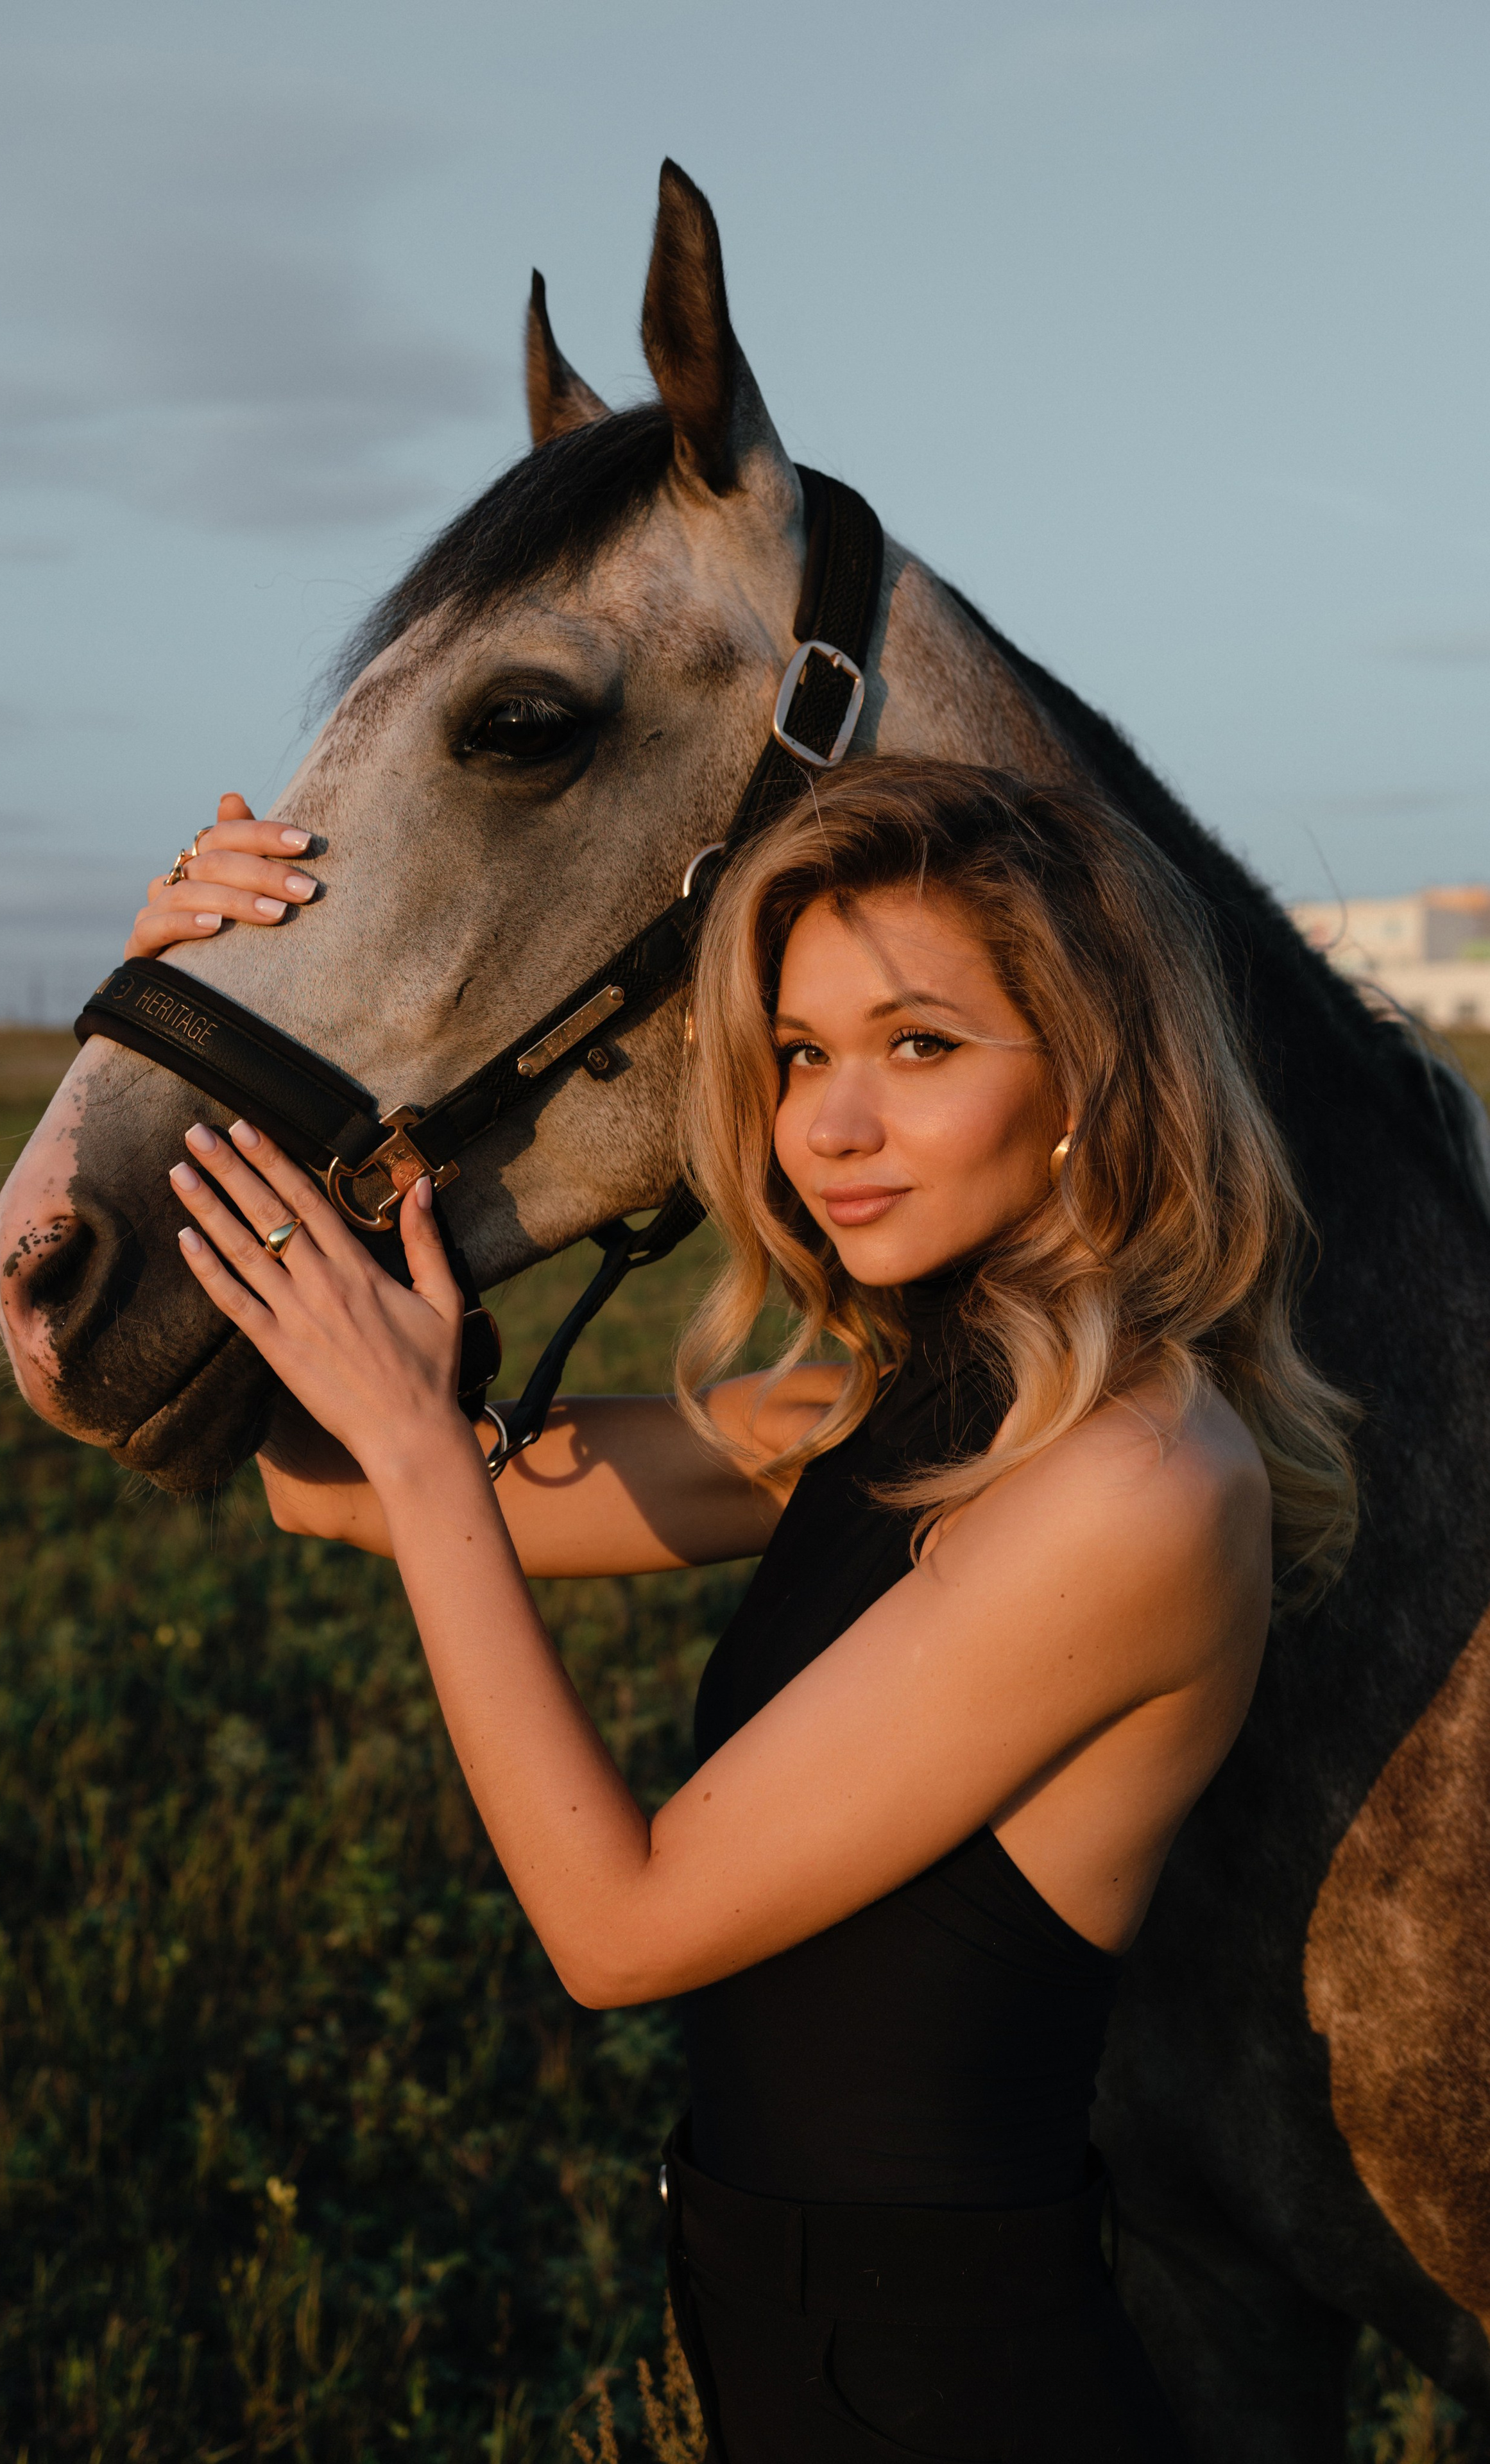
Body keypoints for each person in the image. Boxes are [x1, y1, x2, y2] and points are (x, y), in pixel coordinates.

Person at [133, 759, 1357, 2461]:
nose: (828, 1128)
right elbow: (313, 1480)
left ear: (1088, 1074)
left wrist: (430, 1451)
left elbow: (617, 1927)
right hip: (801, 2365)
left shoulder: (1139, 1493)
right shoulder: (868, 1415)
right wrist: (186, 1004)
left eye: (919, 1046)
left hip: (964, 2404)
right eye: (801, 1055)